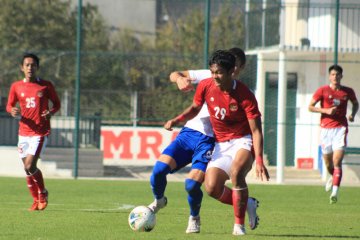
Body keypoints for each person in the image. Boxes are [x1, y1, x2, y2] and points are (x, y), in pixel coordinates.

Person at [148, 48, 260, 234]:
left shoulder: (239, 90)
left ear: (238, 68)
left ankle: (194, 218)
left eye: (237, 68)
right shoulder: (208, 76)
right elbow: (174, 74)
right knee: (159, 170)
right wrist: (179, 79)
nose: (233, 72)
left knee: (193, 185)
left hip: (210, 140)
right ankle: (159, 200)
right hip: (189, 133)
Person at [6, 53, 61, 211]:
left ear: (37, 67)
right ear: (22, 67)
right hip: (23, 132)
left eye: (33, 65)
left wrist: (50, 112)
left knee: (30, 165)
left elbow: (57, 104)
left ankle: (42, 193)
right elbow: (9, 105)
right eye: (27, 65)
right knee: (26, 168)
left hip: (40, 132)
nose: (30, 67)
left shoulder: (45, 85)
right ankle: (36, 200)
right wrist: (12, 110)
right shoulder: (16, 86)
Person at [308, 64, 358, 204]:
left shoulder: (347, 91)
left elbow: (355, 103)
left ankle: (335, 191)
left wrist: (353, 114)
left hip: (340, 129)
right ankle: (333, 177)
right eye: (333, 74)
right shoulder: (322, 91)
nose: (335, 77)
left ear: (341, 76)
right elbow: (310, 107)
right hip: (325, 130)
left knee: (337, 161)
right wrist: (326, 111)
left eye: (337, 74)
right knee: (328, 163)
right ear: (329, 76)